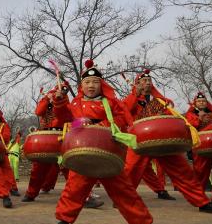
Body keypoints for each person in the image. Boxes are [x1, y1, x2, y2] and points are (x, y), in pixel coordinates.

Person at [53, 59, 153, 224]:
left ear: (101, 84)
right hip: (83, 151)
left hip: (108, 152)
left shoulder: (111, 102)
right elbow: (65, 119)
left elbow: (122, 118)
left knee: (124, 191)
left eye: (95, 82)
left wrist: (100, 125)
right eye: (87, 82)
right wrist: (59, 102)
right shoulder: (76, 103)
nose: (91, 85)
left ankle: (142, 221)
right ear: (81, 86)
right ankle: (64, 220)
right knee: (74, 189)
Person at [122, 69, 212, 215]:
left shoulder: (159, 101)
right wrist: (134, 94)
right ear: (137, 83)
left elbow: (170, 116)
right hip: (139, 140)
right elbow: (123, 111)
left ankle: (202, 203)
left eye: (149, 81)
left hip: (161, 140)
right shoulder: (132, 99)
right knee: (131, 170)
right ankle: (123, 199)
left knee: (183, 171)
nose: (147, 83)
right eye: (144, 81)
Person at [186, 92, 212, 208]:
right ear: (195, 103)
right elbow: (191, 126)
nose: (201, 103)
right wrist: (199, 117)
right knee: (200, 174)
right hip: (201, 146)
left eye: (203, 101)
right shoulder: (191, 114)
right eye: (199, 101)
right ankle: (200, 200)